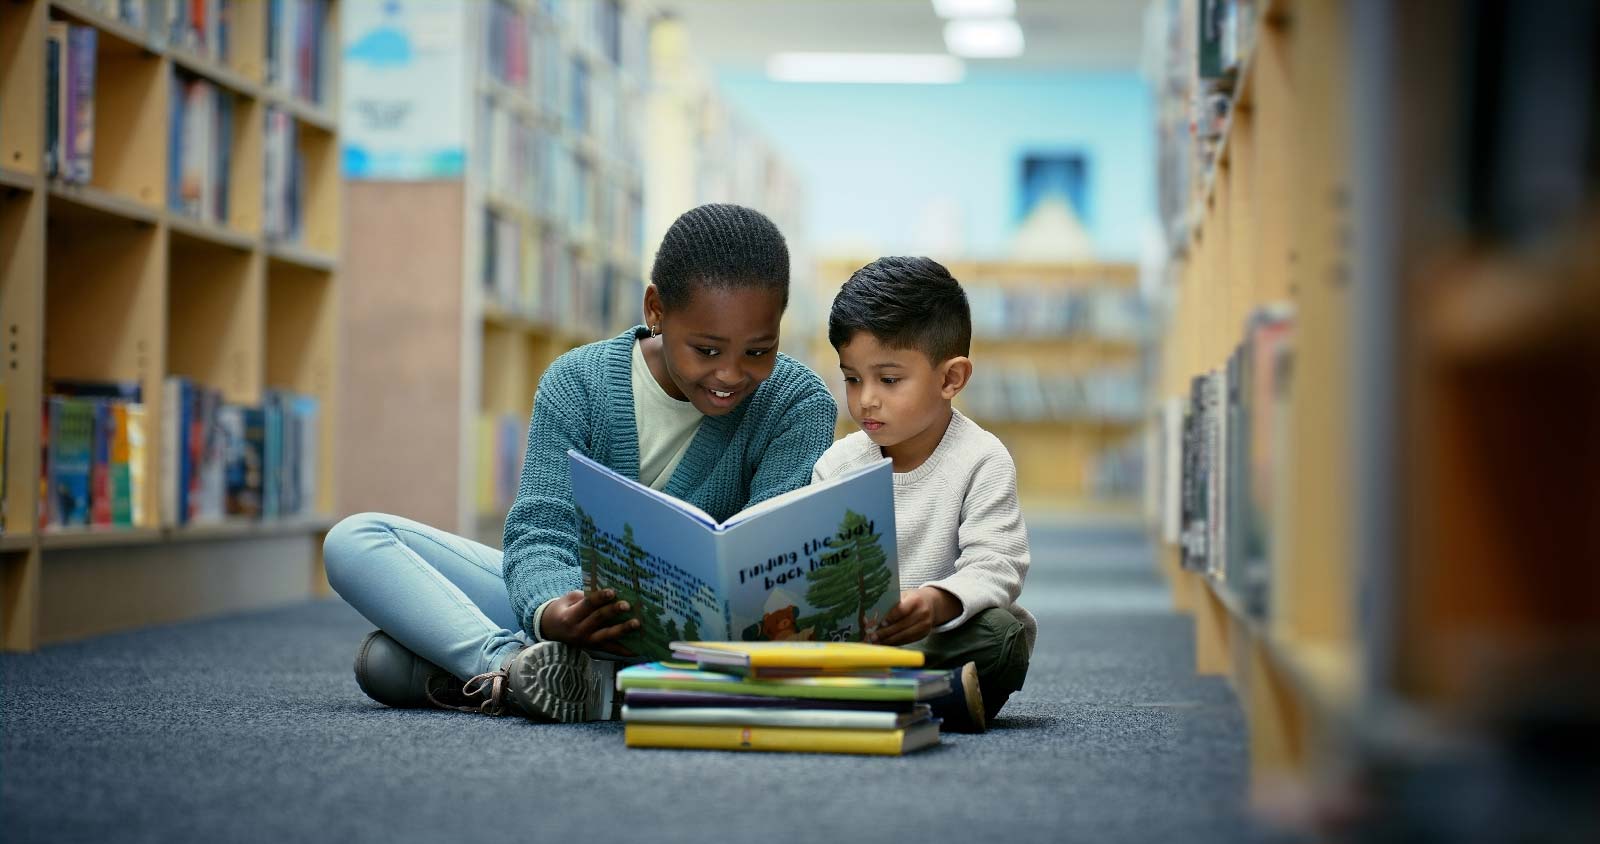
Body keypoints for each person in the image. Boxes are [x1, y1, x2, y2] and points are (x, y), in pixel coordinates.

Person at [325, 204, 839, 721]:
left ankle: (520, 676)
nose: (731, 375)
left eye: (758, 351)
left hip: (706, 646)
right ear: (656, 309)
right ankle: (515, 664)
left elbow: (768, 565)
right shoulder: (578, 383)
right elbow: (539, 532)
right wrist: (552, 611)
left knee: (388, 663)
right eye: (706, 350)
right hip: (580, 614)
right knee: (356, 540)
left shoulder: (797, 404)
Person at [812, 256, 1035, 733]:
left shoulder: (982, 459)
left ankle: (860, 695)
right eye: (852, 378)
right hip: (856, 643)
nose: (865, 398)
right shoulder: (837, 465)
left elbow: (997, 565)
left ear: (950, 379)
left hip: (939, 637)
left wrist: (937, 602)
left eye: (889, 380)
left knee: (1002, 635)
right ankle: (917, 699)